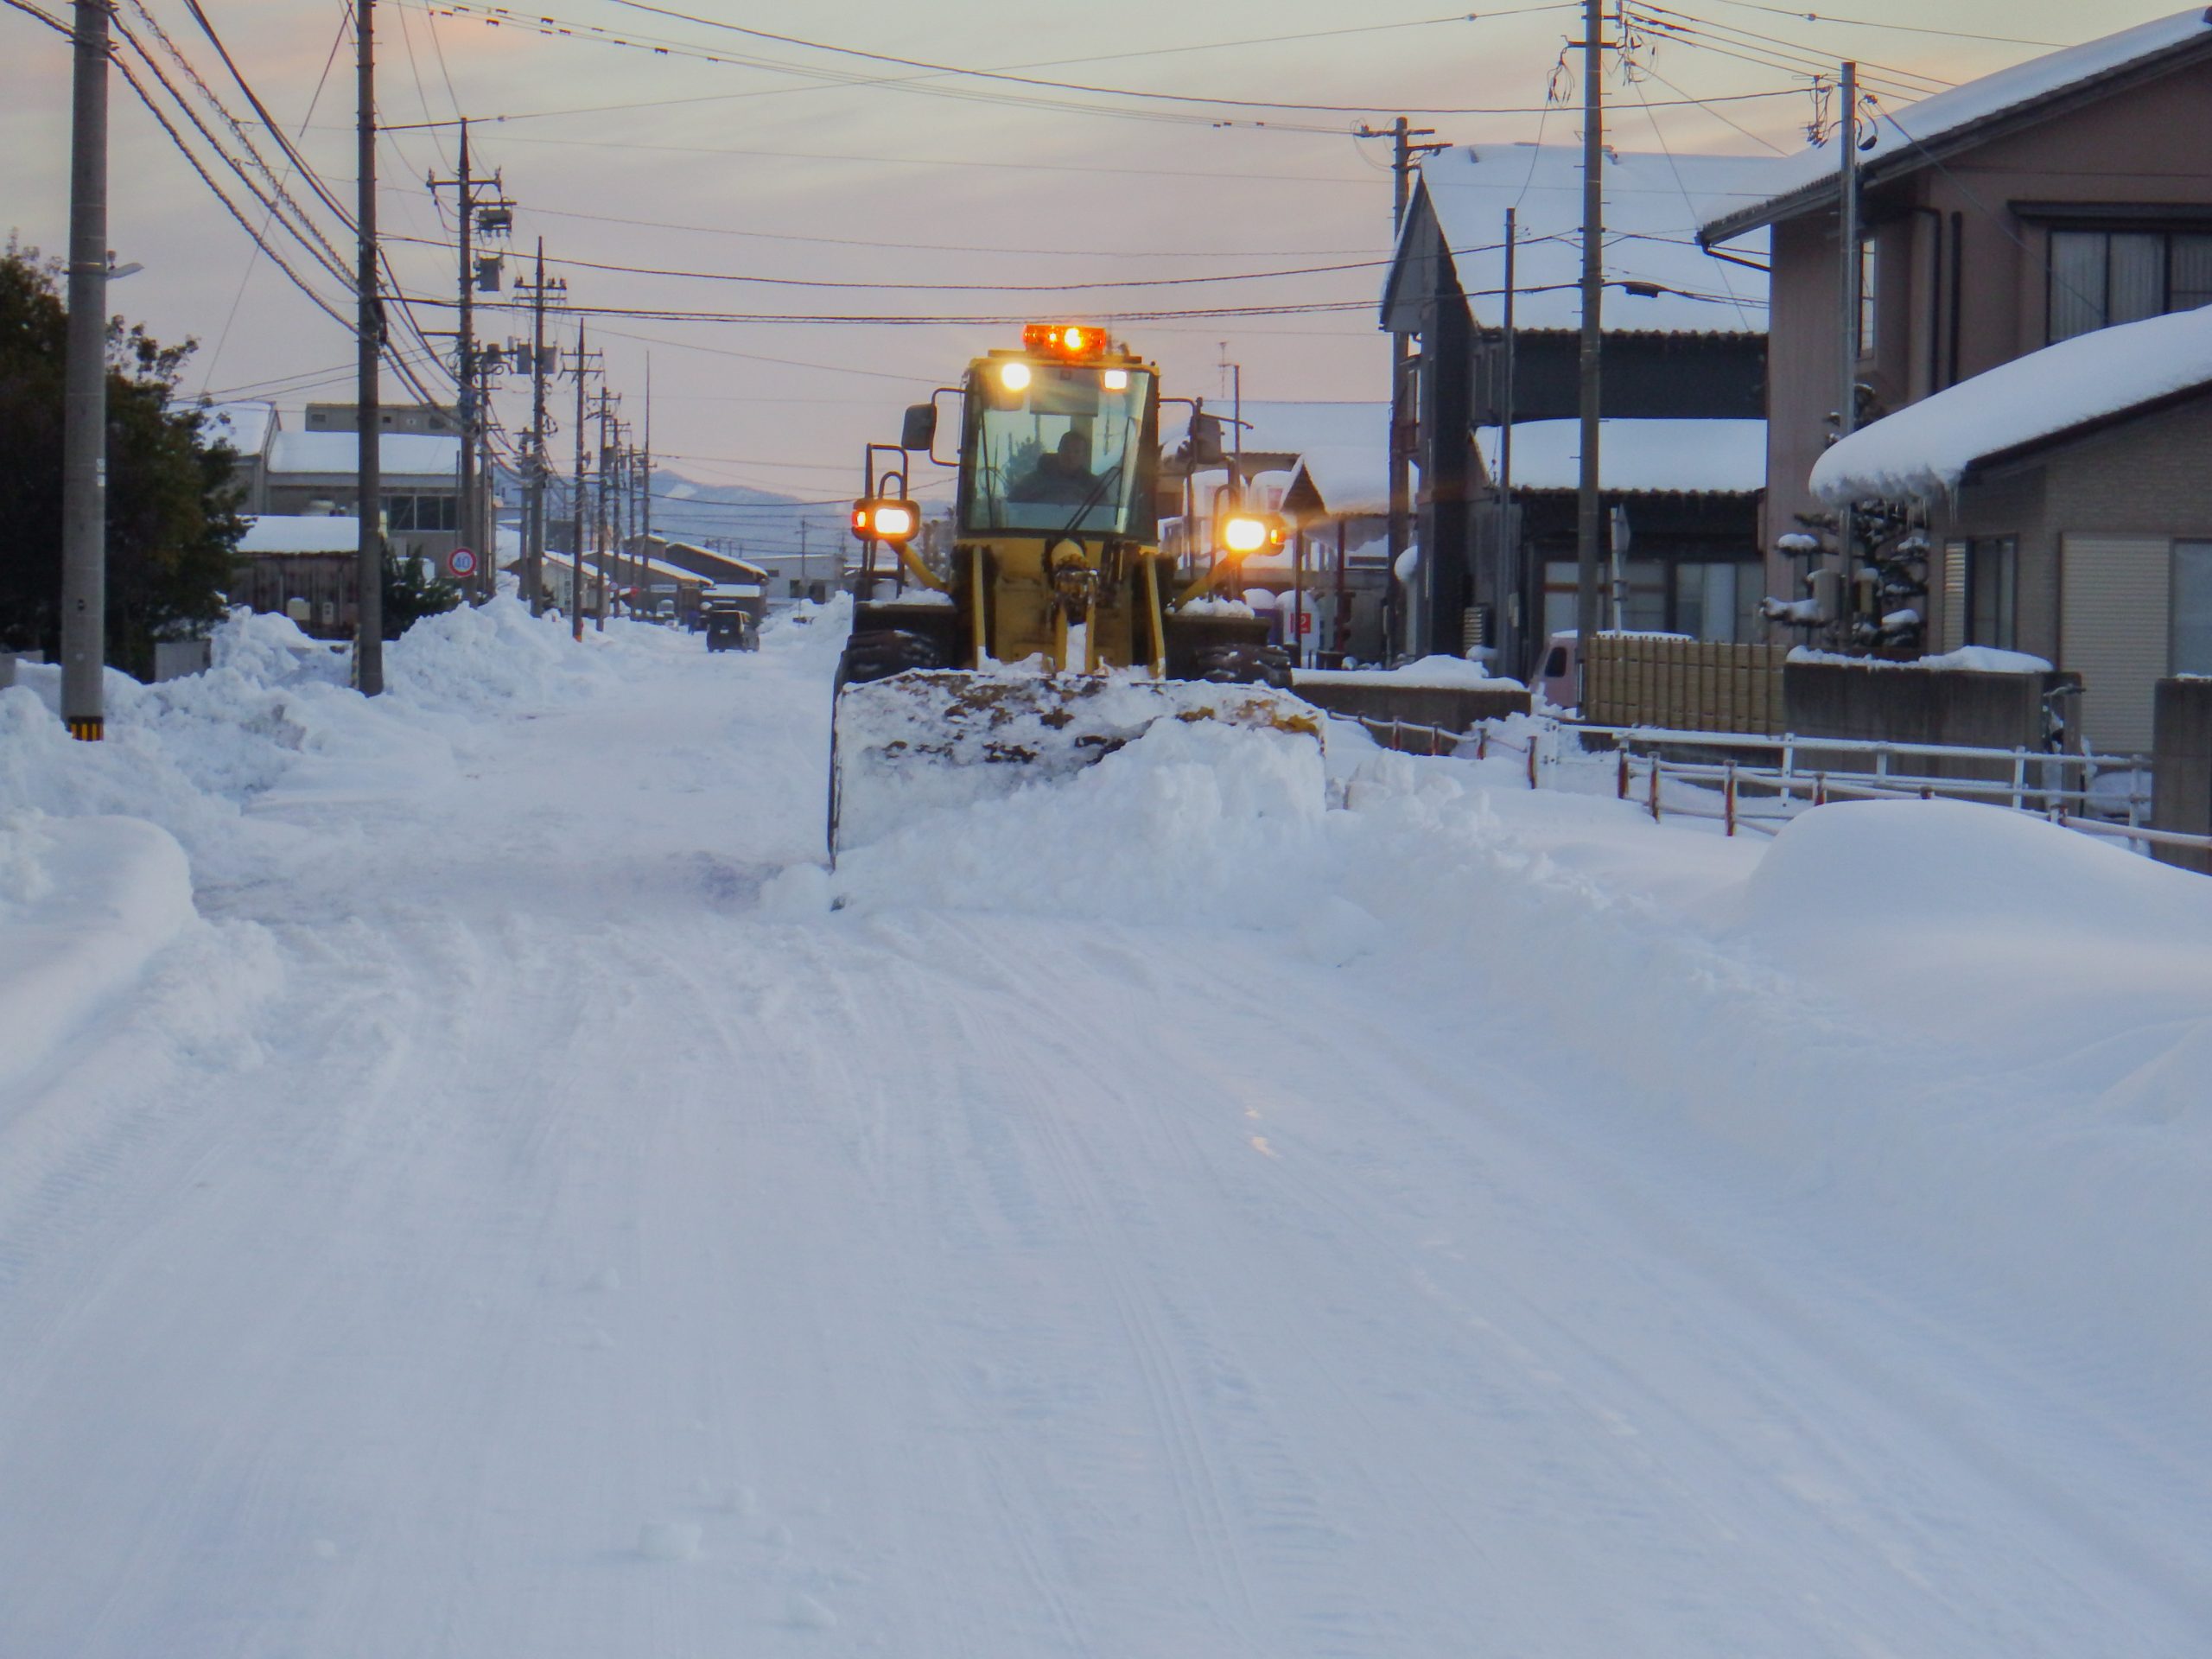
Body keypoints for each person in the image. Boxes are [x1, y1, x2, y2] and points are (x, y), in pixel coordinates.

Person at [1008, 429, 1096, 504]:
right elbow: (1011, 508)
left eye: (1076, 452)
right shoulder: (1031, 483)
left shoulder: (1094, 487)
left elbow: (1103, 517)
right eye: (1066, 450)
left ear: (1084, 456)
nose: (1070, 455)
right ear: (1058, 450)